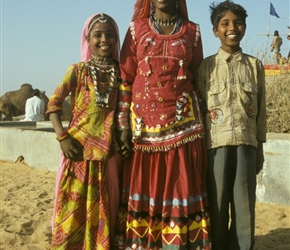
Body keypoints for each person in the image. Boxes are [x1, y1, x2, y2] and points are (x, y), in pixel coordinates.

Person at [114, 0, 211, 249]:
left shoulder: (193, 31)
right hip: (144, 130)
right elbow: (125, 78)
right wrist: (123, 125)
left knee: (181, 187)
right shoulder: (136, 29)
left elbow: (198, 76)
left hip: (184, 128)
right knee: (146, 187)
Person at [46, 13, 121, 249]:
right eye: (97, 35)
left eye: (110, 34)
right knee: (72, 215)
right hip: (77, 156)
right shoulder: (77, 71)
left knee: (104, 216)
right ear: (87, 39)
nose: (104, 40)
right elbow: (53, 104)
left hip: (107, 158)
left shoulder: (122, 74)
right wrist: (62, 137)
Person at [195, 1, 267, 249]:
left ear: (245, 27)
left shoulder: (255, 66)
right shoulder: (206, 67)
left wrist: (260, 147)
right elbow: (200, 109)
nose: (232, 28)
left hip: (247, 144)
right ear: (216, 30)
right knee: (216, 203)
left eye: (237, 23)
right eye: (224, 24)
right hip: (215, 146)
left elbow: (261, 112)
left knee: (244, 206)